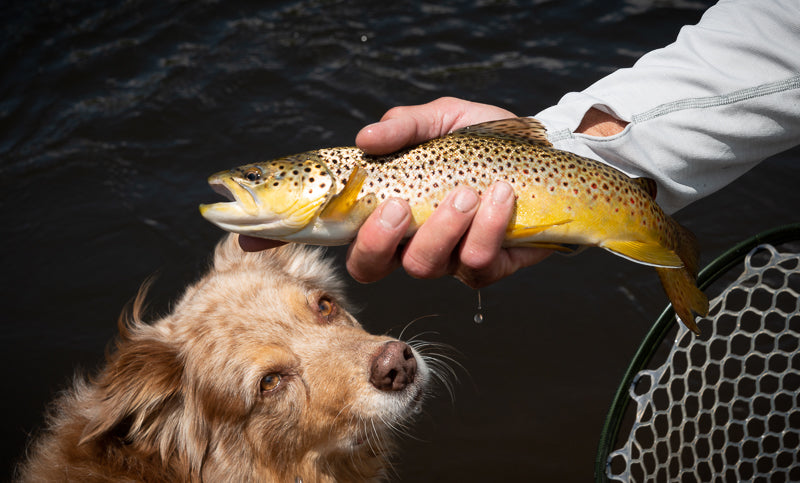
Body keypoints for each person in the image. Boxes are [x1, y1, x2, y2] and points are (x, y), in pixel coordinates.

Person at [244, 0, 800, 288]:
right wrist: (579, 143)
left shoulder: (347, 174)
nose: (245, 185)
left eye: (259, 177)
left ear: (312, 176)